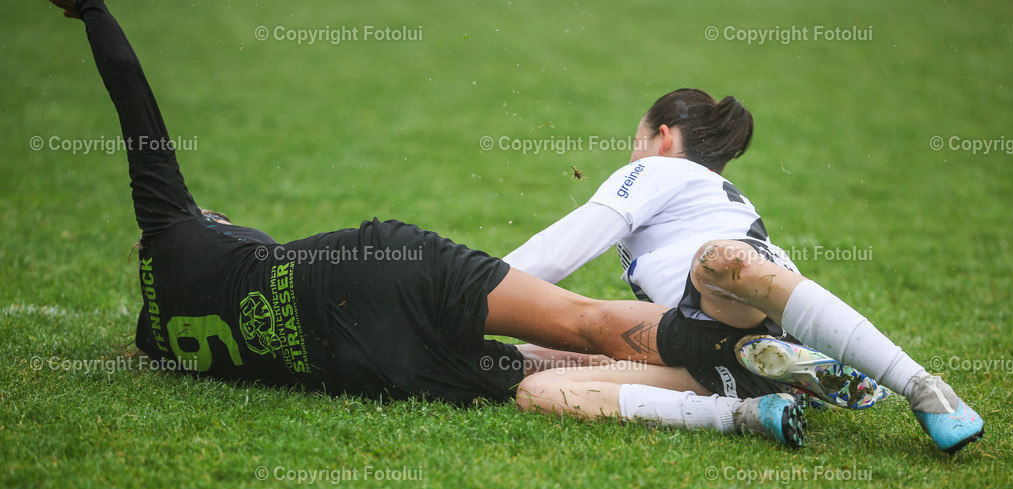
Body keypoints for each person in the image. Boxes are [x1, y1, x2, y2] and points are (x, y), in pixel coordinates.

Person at [46, 0, 808, 448]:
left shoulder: (166, 340)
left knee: (541, 374)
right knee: (583, 324)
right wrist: (93, 11)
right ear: (198, 221)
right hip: (383, 270)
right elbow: (130, 98)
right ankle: (738, 351)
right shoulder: (171, 221)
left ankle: (737, 388)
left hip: (377, 367)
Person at [507, 89, 984, 453]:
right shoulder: (714, 191)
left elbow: (560, 250)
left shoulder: (659, 169)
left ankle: (922, 388)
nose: (634, 153)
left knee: (716, 262)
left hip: (733, 298)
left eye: (639, 140)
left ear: (664, 137)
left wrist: (473, 285)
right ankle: (751, 410)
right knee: (540, 386)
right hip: (708, 349)